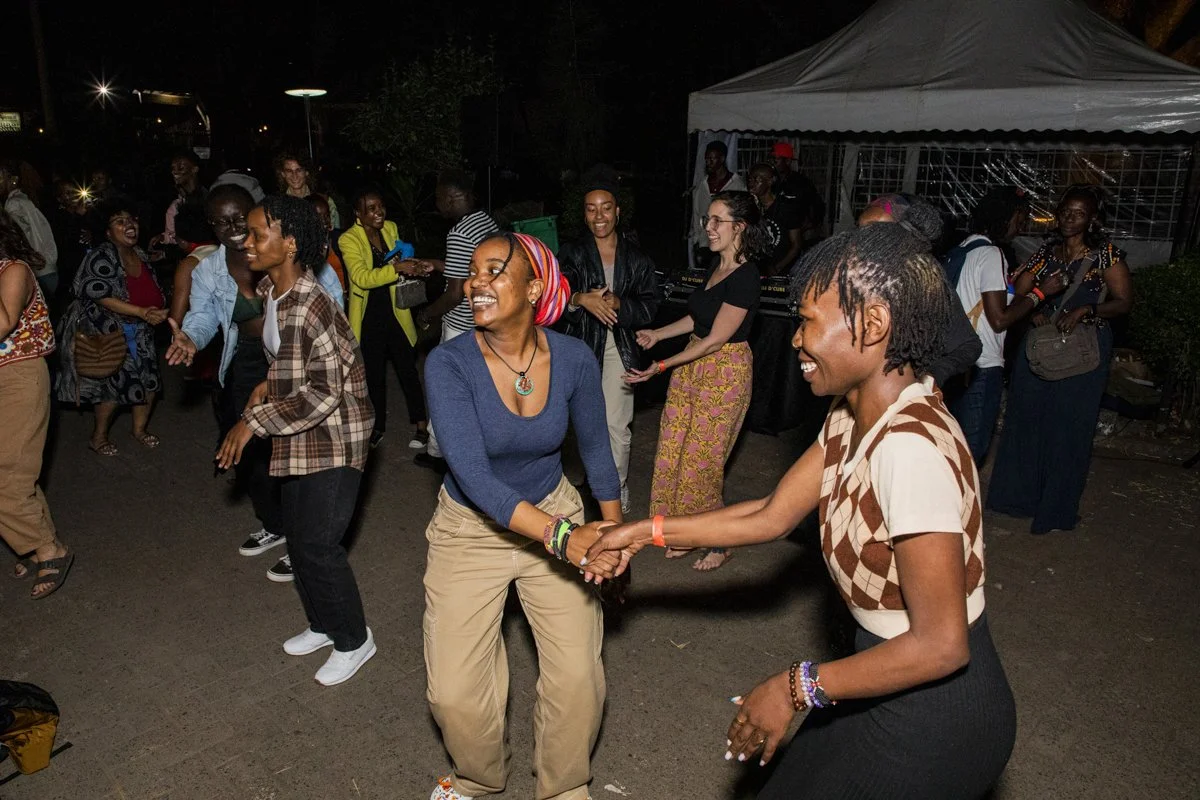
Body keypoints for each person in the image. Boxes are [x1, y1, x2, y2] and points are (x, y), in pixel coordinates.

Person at [585, 221, 1017, 799]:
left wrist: (796, 687)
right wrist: (643, 531)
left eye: (809, 322)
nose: (795, 340)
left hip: (936, 712)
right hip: (880, 670)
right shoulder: (852, 415)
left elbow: (941, 644)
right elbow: (769, 513)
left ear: (874, 325)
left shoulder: (909, 450)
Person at [422, 231, 621, 800]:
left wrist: (613, 538)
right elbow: (475, 478)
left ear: (534, 286)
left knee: (579, 678)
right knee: (454, 693)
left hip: (555, 510)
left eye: (493, 270)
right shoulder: (449, 363)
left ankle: (563, 788)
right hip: (472, 529)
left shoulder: (575, 359)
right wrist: (567, 538)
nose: (474, 282)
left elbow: (599, 453)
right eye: (471, 272)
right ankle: (476, 781)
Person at [215, 195, 376, 686]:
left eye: (258, 233)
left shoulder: (311, 304)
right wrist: (269, 383)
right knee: (300, 542)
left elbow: (326, 391)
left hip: (336, 435)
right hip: (301, 431)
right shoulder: (272, 290)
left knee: (317, 545)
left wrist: (253, 422)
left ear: (289, 244)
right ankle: (324, 625)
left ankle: (354, 639)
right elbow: (289, 359)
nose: (246, 241)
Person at [166, 184, 345, 582]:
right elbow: (203, 315)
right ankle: (277, 525)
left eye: (241, 219)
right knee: (251, 451)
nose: (233, 228)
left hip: (296, 358)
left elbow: (334, 317)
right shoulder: (210, 269)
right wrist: (191, 339)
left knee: (300, 447)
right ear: (211, 226)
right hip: (249, 357)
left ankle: (305, 543)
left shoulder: (301, 258)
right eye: (222, 221)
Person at [627, 190, 767, 572]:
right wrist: (659, 334)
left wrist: (660, 365)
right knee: (674, 448)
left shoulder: (747, 276)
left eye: (716, 220)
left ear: (740, 227)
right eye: (708, 219)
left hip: (723, 372)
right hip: (694, 365)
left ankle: (717, 542)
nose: (708, 227)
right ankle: (682, 532)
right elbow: (699, 320)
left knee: (700, 462)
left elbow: (717, 338)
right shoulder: (715, 267)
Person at [987, 185, 1134, 534]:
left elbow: (1124, 302)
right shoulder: (1046, 253)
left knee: (1068, 430)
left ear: (1092, 219)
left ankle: (1055, 510)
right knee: (1025, 422)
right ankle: (1016, 501)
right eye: (1066, 211)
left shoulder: (1107, 256)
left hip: (1083, 351)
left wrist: (1088, 309)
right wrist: (1034, 309)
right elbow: (1019, 291)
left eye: (1079, 213)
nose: (1070, 218)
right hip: (1042, 345)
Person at [559, 165, 661, 513]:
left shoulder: (637, 258)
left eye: (605, 207)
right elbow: (553, 298)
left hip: (619, 347)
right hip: (581, 347)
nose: (598, 215)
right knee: (583, 422)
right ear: (584, 214)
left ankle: (613, 493)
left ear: (618, 211)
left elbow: (650, 306)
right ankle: (587, 483)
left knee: (617, 425)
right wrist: (579, 299)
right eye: (591, 208)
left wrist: (622, 304)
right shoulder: (572, 253)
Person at [945, 187, 1062, 464]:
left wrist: (1014, 289)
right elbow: (999, 320)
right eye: (1019, 219)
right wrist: (1041, 293)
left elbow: (973, 298)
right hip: (982, 365)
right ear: (1003, 216)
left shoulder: (960, 250)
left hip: (953, 362)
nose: (1021, 227)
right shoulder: (991, 254)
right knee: (972, 453)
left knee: (950, 449)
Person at [56, 197, 168, 455]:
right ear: (107, 232)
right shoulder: (102, 255)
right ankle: (98, 437)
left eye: (131, 220)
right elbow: (97, 293)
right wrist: (141, 311)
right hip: (113, 332)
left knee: (150, 382)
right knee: (114, 389)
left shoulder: (138, 253)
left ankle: (139, 430)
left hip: (143, 331)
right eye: (119, 221)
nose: (129, 225)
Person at [0, 211, 73, 599]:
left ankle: (49, 549)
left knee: (7, 474)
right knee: (15, 468)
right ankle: (34, 540)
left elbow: (3, 322)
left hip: (19, 376)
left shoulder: (14, 270)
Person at [412, 169, 500, 471]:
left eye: (438, 199)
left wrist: (426, 313)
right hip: (486, 319)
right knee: (479, 387)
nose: (437, 204)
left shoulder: (459, 233)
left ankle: (437, 451)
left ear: (450, 199)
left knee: (444, 388)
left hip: (461, 324)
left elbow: (453, 293)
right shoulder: (485, 222)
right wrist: (437, 265)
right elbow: (467, 266)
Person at [857, 194, 982, 388]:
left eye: (878, 231)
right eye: (862, 231)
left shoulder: (927, 287)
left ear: (908, 237)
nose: (865, 240)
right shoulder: (851, 277)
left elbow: (968, 345)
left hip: (902, 400)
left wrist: (932, 376)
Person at [340, 187, 430, 450]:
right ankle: (376, 426)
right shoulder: (349, 240)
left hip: (397, 312)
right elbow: (362, 277)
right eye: (371, 209)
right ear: (358, 213)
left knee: (408, 370)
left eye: (380, 207)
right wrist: (395, 268)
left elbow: (402, 257)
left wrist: (414, 265)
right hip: (369, 317)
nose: (378, 213)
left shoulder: (389, 228)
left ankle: (421, 426)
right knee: (374, 376)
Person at [0, 160, 57, 298]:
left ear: (13, 180)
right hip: (48, 270)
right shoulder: (24, 200)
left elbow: (14, 239)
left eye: (0, 178)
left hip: (35, 272)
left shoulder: (14, 204)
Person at [689, 141, 746, 269]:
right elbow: (697, 214)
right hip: (705, 246)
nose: (708, 162)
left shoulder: (736, 185)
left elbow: (741, 216)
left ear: (722, 159)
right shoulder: (702, 186)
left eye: (712, 158)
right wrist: (697, 240)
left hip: (728, 247)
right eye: (706, 159)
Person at [747, 162, 804, 277]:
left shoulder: (785, 207)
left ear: (770, 181)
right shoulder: (751, 208)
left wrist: (777, 268)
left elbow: (796, 245)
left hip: (784, 270)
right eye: (749, 180)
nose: (751, 184)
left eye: (756, 180)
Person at [274, 152, 340, 228]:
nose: (294, 176)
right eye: (289, 171)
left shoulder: (325, 201)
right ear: (283, 174)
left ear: (306, 172)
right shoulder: (277, 205)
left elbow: (334, 232)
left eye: (299, 170)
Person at [308, 194, 347, 295]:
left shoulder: (340, 238)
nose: (325, 220)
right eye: (318, 216)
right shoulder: (302, 248)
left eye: (326, 215)